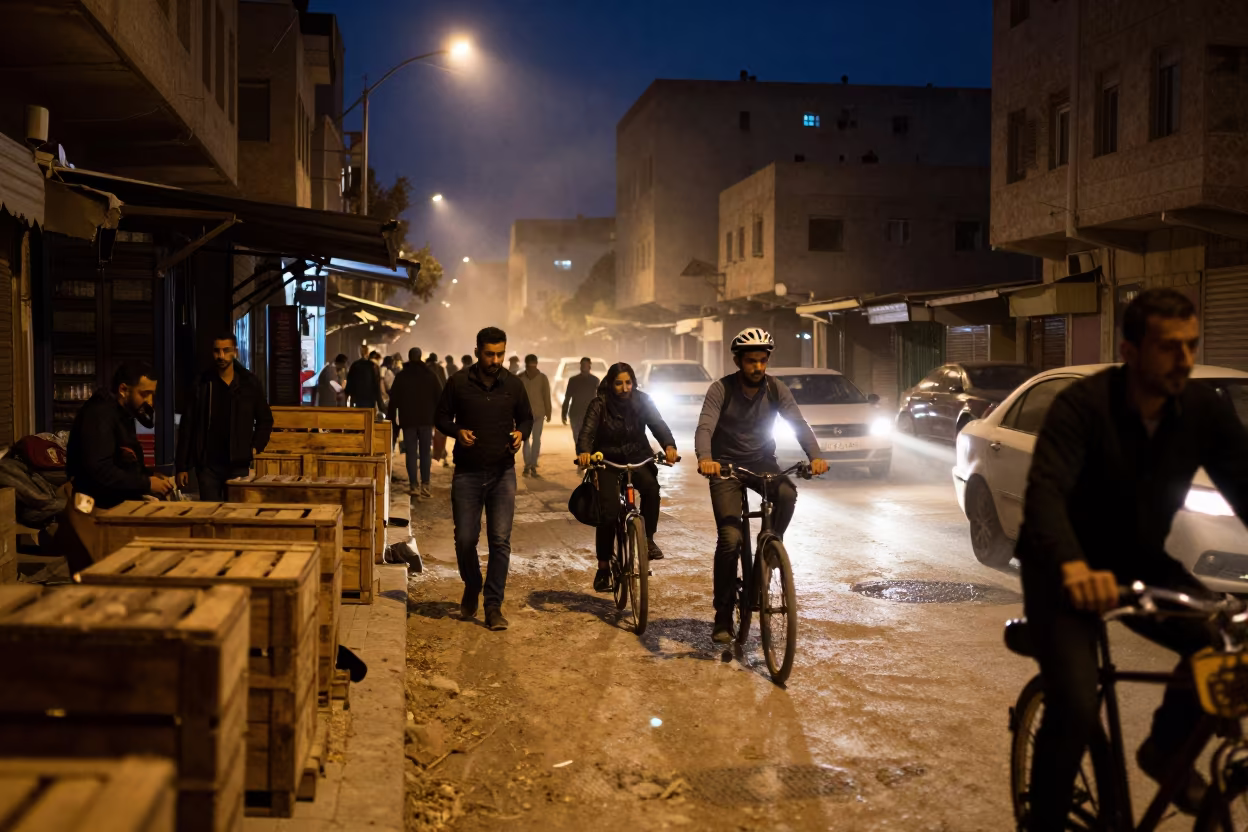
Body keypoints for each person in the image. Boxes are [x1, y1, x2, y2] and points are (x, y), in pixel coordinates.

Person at [1017, 288, 1248, 829]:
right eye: (1170, 347)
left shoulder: (1201, 412)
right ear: (1131, 350)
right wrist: (1073, 568)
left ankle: (1165, 751)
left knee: (1220, 649)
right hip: (1061, 567)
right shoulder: (1082, 407)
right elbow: (1045, 493)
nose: (1185, 360)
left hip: (1140, 562)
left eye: (1191, 345)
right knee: (1075, 704)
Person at [696, 327, 829, 643]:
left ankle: (769, 551)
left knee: (786, 493)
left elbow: (798, 424)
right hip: (725, 466)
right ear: (738, 361)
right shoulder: (721, 390)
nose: (758, 367)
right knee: (730, 539)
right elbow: (704, 426)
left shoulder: (776, 389)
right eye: (751, 361)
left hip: (761, 463)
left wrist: (815, 456)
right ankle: (723, 616)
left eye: (762, 360)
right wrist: (706, 458)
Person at [435, 326, 533, 632]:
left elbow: (527, 418)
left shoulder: (514, 385)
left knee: (500, 541)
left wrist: (521, 434)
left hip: (503, 472)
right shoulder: (458, 383)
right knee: (465, 539)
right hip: (467, 473)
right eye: (489, 353)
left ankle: (493, 606)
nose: (495, 359)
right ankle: (472, 583)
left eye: (500, 353)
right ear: (477, 351)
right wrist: (456, 432)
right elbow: (440, 418)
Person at [577, 362, 678, 591]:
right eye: (619, 383)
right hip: (607, 461)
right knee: (609, 513)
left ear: (634, 382)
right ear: (611, 384)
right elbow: (587, 432)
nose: (624, 388)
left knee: (651, 489)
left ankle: (648, 539)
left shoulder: (643, 401)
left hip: (638, 457)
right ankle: (603, 568)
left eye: (628, 382)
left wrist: (669, 445)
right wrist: (584, 452)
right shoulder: (599, 404)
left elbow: (658, 425)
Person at [175, 333, 274, 501]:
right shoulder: (202, 383)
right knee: (210, 515)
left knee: (236, 515)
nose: (221, 356)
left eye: (226, 350)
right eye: (217, 351)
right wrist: (182, 466)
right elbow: (188, 424)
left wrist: (255, 447)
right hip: (208, 464)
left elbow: (265, 419)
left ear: (235, 352)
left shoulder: (249, 383)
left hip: (238, 463)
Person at [67, 362, 172, 510]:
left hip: (112, 503)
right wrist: (147, 483)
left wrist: (151, 477)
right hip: (95, 508)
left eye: (152, 395)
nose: (149, 402)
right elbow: (100, 470)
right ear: (123, 389)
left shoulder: (122, 414)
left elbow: (124, 461)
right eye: (144, 394)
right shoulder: (100, 415)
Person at [388, 347, 443, 499]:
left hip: (408, 421)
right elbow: (440, 397)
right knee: (425, 452)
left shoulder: (402, 376)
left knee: (411, 453)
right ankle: (425, 485)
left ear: (409, 357)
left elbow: (394, 400)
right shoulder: (431, 375)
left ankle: (414, 485)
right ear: (420, 357)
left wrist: (391, 420)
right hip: (426, 420)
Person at [519, 354, 552, 477]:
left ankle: (530, 465)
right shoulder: (522, 378)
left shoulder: (524, 378)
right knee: (531, 440)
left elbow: (546, 396)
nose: (532, 368)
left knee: (530, 440)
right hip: (527, 415)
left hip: (534, 414)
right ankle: (531, 465)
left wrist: (548, 412)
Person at [562, 357, 600, 439]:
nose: (584, 367)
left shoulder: (595, 381)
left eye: (586, 365)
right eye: (583, 365)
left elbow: (600, 398)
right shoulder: (573, 380)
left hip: (589, 413)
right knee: (577, 437)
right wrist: (564, 413)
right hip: (576, 413)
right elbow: (567, 397)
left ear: (589, 366)